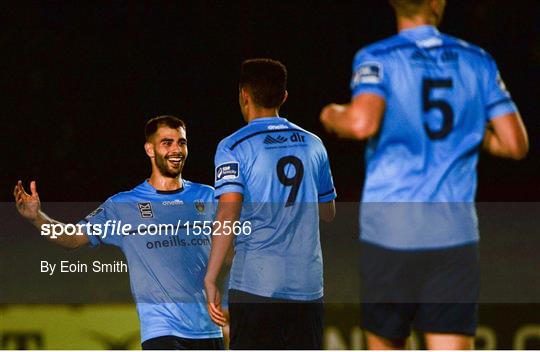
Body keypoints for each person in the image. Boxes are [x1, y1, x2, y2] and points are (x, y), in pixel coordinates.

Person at [320, 0, 528, 350]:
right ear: (437, 3)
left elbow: (361, 122)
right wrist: (472, 132)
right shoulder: (477, 59)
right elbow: (514, 144)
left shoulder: (378, 57)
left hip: (390, 234)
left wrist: (331, 114)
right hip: (453, 235)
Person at [13, 115, 224, 350]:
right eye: (167, 142)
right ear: (150, 149)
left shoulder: (207, 196)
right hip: (162, 332)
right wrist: (36, 217)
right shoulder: (123, 206)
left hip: (209, 328)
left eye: (182, 142)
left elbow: (234, 247)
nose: (177, 149)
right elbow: (71, 238)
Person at [204, 58, 337, 349]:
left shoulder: (234, 146)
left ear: (244, 95)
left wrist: (211, 277)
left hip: (256, 285)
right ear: (284, 97)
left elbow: (228, 213)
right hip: (307, 286)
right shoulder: (313, 143)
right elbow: (328, 212)